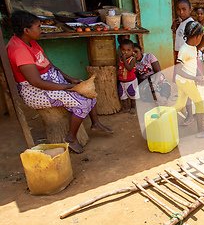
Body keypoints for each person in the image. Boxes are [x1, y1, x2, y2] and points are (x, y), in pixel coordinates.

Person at [6, 10, 113, 154]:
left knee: (86, 89)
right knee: (83, 102)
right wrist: (68, 86)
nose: (41, 30)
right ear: (26, 30)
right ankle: (71, 138)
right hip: (35, 91)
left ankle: (95, 123)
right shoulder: (19, 50)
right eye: (38, 27)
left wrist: (70, 79)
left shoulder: (30, 42)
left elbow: (49, 66)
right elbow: (36, 82)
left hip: (49, 80)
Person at [170, 0, 204, 125]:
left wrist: (195, 49)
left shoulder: (190, 23)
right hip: (182, 57)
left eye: (184, 9)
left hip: (188, 60)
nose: (181, 12)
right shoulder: (181, 22)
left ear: (190, 10)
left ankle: (191, 115)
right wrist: (174, 28)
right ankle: (192, 114)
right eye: (178, 9)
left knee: (188, 89)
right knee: (185, 89)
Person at [172, 21, 204, 138]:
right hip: (185, 81)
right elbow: (178, 70)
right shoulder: (184, 50)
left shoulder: (193, 47)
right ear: (198, 36)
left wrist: (200, 76)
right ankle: (200, 131)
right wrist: (195, 78)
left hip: (185, 80)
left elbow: (193, 65)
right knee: (199, 103)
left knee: (180, 104)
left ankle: (162, 116)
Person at [117, 39, 139, 113]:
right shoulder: (121, 59)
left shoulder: (132, 59)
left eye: (128, 50)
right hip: (122, 81)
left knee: (132, 94)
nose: (126, 52)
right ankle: (126, 108)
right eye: (123, 50)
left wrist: (124, 59)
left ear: (132, 50)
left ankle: (133, 107)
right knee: (123, 95)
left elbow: (129, 68)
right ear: (120, 50)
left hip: (131, 81)